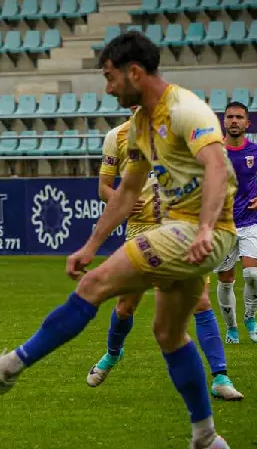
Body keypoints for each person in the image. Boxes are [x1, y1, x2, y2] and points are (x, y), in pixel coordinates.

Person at [0, 31, 238, 449]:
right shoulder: (141, 124)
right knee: (168, 333)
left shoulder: (186, 110)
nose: (108, 88)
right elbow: (127, 192)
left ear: (134, 72)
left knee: (95, 285)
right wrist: (89, 245)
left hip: (201, 231)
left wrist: (202, 228)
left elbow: (218, 166)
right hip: (185, 231)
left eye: (110, 77)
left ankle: (7, 368)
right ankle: (206, 439)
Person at [87, 115, 243, 401]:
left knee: (201, 299)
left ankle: (220, 376)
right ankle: (112, 354)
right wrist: (119, 200)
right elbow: (104, 189)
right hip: (140, 230)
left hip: (179, 226)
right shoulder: (116, 136)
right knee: (126, 307)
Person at [215, 101, 257, 344]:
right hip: (223, 226)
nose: (234, 121)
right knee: (226, 280)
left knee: (252, 274)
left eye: (239, 117)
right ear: (224, 121)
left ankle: (250, 318)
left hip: (250, 222)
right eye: (230, 117)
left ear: (247, 123)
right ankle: (231, 328)